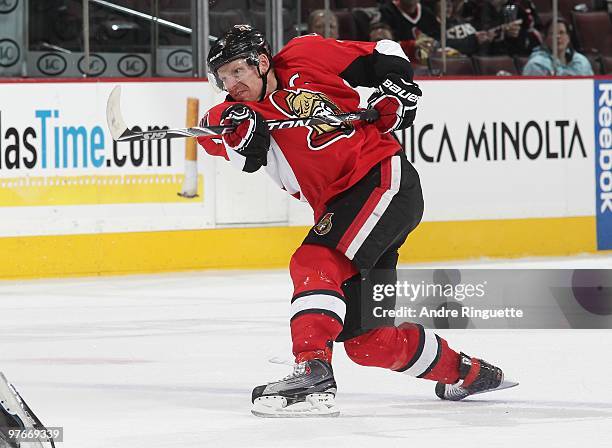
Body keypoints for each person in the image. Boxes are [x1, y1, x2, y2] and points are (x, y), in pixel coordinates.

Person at [198, 24, 516, 417]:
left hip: (382, 179)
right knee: (368, 344)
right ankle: (469, 374)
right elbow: (214, 132)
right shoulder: (232, 113)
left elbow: (384, 50)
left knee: (313, 261)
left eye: (237, 72)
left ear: (262, 62)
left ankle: (312, 367)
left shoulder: (305, 55)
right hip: (345, 208)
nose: (231, 84)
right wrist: (238, 129)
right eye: (223, 77)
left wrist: (397, 89)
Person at [522, 18, 594, 76]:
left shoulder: (581, 62)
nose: (558, 37)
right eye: (552, 33)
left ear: (568, 38)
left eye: (561, 33)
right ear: (546, 39)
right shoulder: (537, 65)